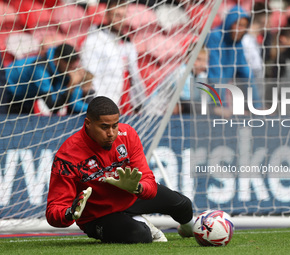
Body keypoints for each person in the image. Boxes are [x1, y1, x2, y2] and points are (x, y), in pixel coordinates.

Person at [45, 96, 194, 243]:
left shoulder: (127, 135)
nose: (111, 133)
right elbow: (54, 210)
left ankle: (192, 231)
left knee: (184, 205)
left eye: (115, 125)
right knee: (140, 235)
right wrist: (69, 213)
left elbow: (148, 180)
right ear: (88, 123)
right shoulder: (67, 156)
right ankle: (140, 223)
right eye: (104, 127)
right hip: (98, 215)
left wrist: (137, 188)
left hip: (130, 196)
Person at [80, 0, 146, 115]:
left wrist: (139, 105)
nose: (120, 20)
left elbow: (135, 77)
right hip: (103, 108)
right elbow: (89, 76)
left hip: (126, 107)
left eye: (123, 16)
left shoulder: (128, 43)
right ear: (107, 14)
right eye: (117, 15)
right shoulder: (93, 41)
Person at [205, 5, 262, 117]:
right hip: (207, 91)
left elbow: (245, 72)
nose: (240, 29)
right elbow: (215, 72)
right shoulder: (215, 36)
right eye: (238, 24)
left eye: (244, 26)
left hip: (224, 89)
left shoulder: (237, 42)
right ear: (229, 22)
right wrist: (219, 105)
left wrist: (257, 106)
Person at [5, 43, 89, 114]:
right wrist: (71, 85)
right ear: (57, 60)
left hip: (26, 96)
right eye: (69, 64)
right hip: (6, 87)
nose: (71, 69)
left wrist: (91, 109)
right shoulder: (41, 70)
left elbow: (73, 102)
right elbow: (52, 106)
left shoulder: (63, 69)